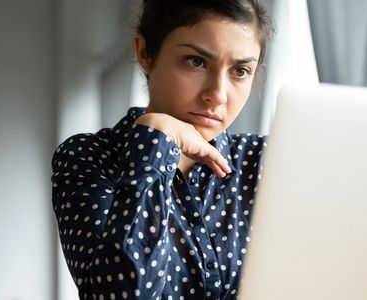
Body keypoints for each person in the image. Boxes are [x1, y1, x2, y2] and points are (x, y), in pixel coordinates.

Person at [51, 0, 273, 299]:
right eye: (196, 61)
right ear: (145, 52)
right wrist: (156, 138)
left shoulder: (265, 162)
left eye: (241, 70)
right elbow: (121, 294)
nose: (217, 95)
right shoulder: (87, 158)